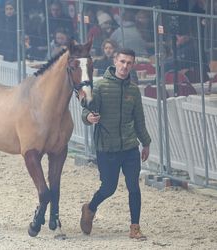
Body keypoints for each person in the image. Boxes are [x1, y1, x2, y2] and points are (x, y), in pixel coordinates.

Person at [80, 48, 151, 240]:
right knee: (108, 188)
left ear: (132, 65)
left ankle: (135, 227)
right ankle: (90, 208)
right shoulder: (100, 86)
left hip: (129, 147)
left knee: (133, 187)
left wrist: (146, 143)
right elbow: (86, 111)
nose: (125, 66)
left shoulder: (134, 91)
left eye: (129, 63)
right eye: (122, 62)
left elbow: (139, 120)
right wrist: (89, 117)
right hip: (106, 147)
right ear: (115, 61)